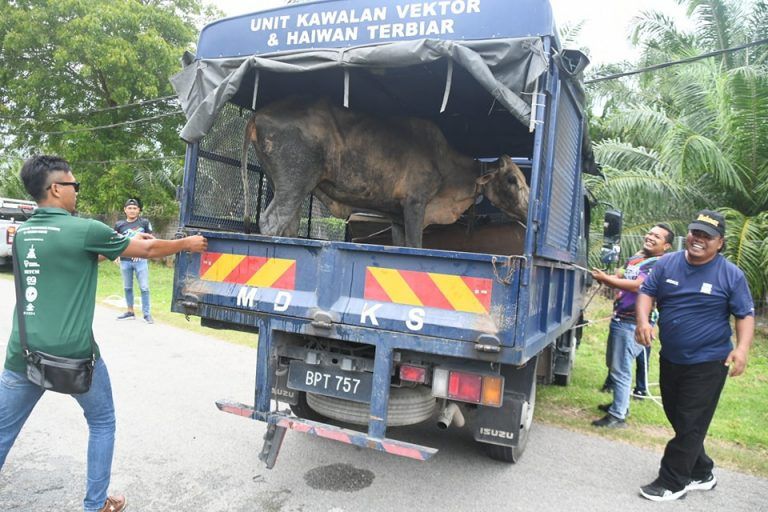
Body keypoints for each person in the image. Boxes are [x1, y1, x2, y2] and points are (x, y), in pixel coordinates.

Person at [0, 155, 207, 512]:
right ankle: (95, 506)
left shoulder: (24, 233)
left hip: (24, 353)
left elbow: (74, 255)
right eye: (73, 185)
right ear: (55, 188)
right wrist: (186, 244)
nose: (77, 192)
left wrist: (119, 239)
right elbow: (148, 249)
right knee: (101, 422)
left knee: (3, 433)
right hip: (75, 356)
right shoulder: (86, 229)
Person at [635, 209, 754, 502]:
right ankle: (702, 472)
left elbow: (745, 315)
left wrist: (742, 349)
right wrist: (643, 321)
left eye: (707, 236)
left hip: (709, 362)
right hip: (672, 357)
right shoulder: (667, 263)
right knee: (679, 416)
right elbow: (646, 292)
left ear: (720, 242)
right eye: (695, 232)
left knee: (690, 421)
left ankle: (672, 481)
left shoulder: (730, 275)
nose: (698, 239)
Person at [591, 223, 674, 428]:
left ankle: (618, 416)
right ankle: (621, 404)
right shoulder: (637, 258)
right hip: (619, 319)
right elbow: (620, 275)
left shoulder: (659, 264)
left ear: (666, 246)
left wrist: (606, 280)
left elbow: (638, 286)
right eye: (650, 233)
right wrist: (606, 277)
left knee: (621, 369)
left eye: (657, 237)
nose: (650, 237)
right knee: (614, 364)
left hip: (633, 323)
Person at [114, 198, 154, 323]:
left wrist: (142, 252)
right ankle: (130, 311)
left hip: (140, 260)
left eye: (134, 208)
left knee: (144, 287)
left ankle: (147, 314)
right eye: (129, 208)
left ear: (139, 210)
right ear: (125, 210)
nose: (132, 210)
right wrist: (116, 255)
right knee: (127, 287)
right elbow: (115, 241)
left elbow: (151, 239)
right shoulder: (119, 225)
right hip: (125, 260)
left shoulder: (144, 223)